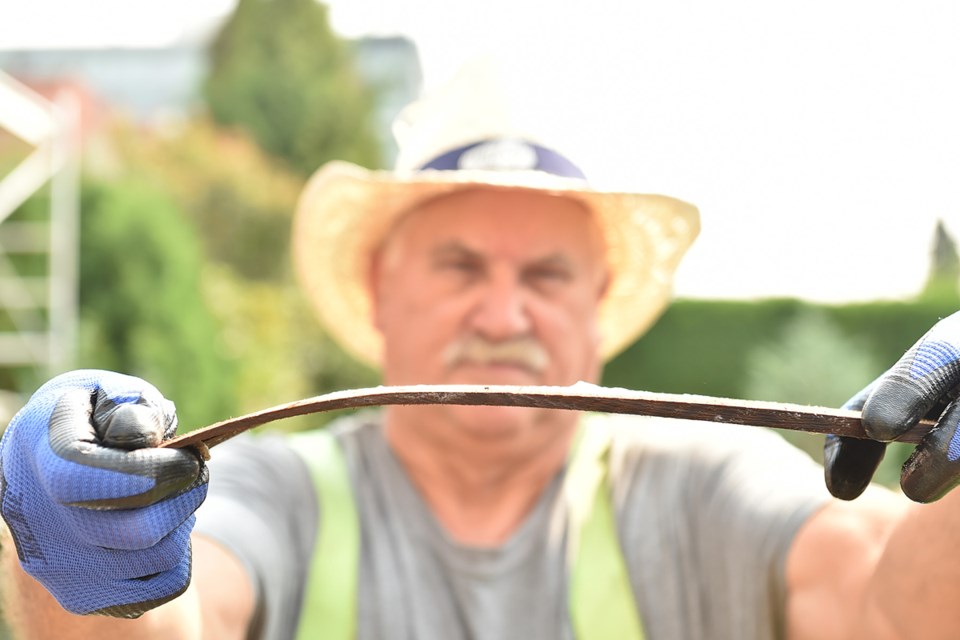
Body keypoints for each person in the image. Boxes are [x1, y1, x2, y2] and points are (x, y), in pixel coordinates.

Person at [2, 67, 960, 640]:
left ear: (597, 309)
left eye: (547, 275)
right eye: (458, 265)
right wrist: (86, 556)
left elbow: (888, 605)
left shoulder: (705, 488)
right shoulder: (275, 491)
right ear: (380, 292)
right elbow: (175, 616)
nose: (503, 312)